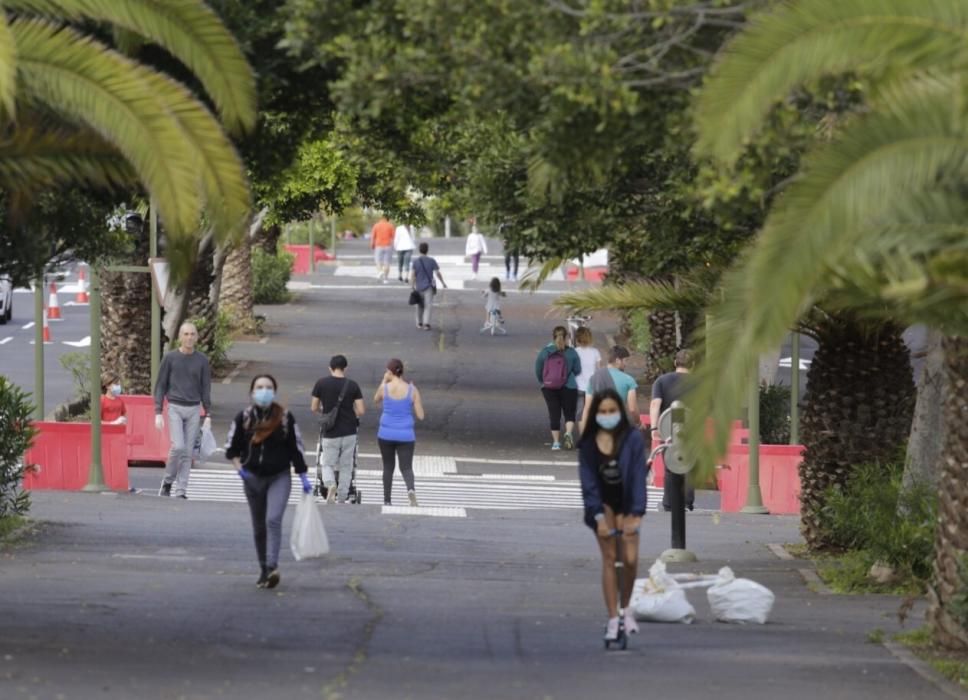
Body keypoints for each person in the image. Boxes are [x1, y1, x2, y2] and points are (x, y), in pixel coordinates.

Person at [225, 374, 311, 589]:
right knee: (258, 526)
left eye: (268, 387)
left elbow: (295, 447)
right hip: (252, 477)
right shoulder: (243, 418)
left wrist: (303, 475)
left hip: (279, 476)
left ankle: (273, 566)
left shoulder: (284, 418)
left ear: (274, 392)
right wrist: (241, 472)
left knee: (273, 519)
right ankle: (263, 568)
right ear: (252, 392)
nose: (264, 391)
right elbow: (231, 450)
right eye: (260, 387)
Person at [578, 388, 647, 642]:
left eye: (612, 411)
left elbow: (639, 476)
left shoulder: (632, 440)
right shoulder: (588, 444)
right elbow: (588, 484)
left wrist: (637, 514)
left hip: (627, 502)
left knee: (629, 559)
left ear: (620, 412)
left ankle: (626, 608)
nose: (607, 416)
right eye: (602, 412)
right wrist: (598, 518)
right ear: (596, 414)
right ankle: (612, 618)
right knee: (610, 558)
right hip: (603, 503)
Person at [154, 322, 212, 499]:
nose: (189, 338)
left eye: (192, 334)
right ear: (179, 336)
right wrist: (157, 411)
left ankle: (181, 490)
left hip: (194, 409)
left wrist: (208, 413)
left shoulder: (202, 360)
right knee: (177, 446)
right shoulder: (170, 358)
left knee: (188, 452)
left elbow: (205, 387)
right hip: (175, 408)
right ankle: (168, 481)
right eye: (186, 334)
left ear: (197, 337)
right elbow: (160, 385)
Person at [311, 354, 365, 504]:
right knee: (346, 465)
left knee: (327, 463)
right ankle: (342, 496)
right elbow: (361, 410)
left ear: (330, 368)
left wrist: (326, 413)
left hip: (330, 432)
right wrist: (349, 413)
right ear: (346, 368)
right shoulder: (353, 385)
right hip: (349, 431)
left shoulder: (321, 383)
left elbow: (314, 407)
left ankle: (330, 485)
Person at [373, 358, 425, 506]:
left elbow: (376, 399)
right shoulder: (412, 390)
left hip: (386, 433)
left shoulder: (385, 388)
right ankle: (410, 489)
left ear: (389, 372)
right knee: (407, 467)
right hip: (406, 435)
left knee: (388, 467)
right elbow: (421, 415)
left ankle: (387, 500)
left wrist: (383, 381)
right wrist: (416, 398)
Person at [650, 349, 695, 511]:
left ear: (676, 363)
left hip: (668, 429)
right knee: (689, 463)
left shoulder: (662, 381)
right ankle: (687, 500)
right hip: (691, 428)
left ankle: (669, 502)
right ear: (694, 365)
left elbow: (655, 404)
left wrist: (654, 427)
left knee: (670, 464)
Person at [534, 326, 582, 450]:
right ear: (566, 337)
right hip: (569, 386)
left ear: (553, 336)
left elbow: (538, 370)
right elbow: (578, 370)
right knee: (569, 413)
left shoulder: (545, 352)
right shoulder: (572, 352)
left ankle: (556, 442)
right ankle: (568, 433)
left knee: (554, 413)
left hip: (549, 387)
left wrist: (544, 381)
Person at [580, 345, 639, 430]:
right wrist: (639, 422)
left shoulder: (594, 378)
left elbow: (587, 408)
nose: (627, 364)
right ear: (618, 360)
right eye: (626, 360)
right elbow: (632, 408)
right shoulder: (628, 380)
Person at [411, 242, 448, 330]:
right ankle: (426, 323)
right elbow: (437, 273)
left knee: (419, 305)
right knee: (428, 305)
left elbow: (413, 275)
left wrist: (412, 285)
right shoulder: (431, 261)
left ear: (419, 250)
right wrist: (443, 282)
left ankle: (419, 323)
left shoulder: (416, 262)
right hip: (428, 287)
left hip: (419, 287)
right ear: (427, 250)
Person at [573, 327, 601, 423]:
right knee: (592, 412)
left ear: (577, 339)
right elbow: (599, 370)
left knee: (580, 414)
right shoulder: (595, 352)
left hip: (578, 386)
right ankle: (590, 433)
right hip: (592, 387)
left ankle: (583, 435)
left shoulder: (575, 352)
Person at [370, 216, 395, 283]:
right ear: (387, 219)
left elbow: (373, 236)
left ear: (380, 219)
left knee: (378, 261)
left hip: (378, 246)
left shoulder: (376, 225)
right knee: (387, 263)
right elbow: (393, 236)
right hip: (388, 246)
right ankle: (385, 279)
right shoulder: (390, 226)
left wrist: (372, 244)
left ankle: (380, 271)